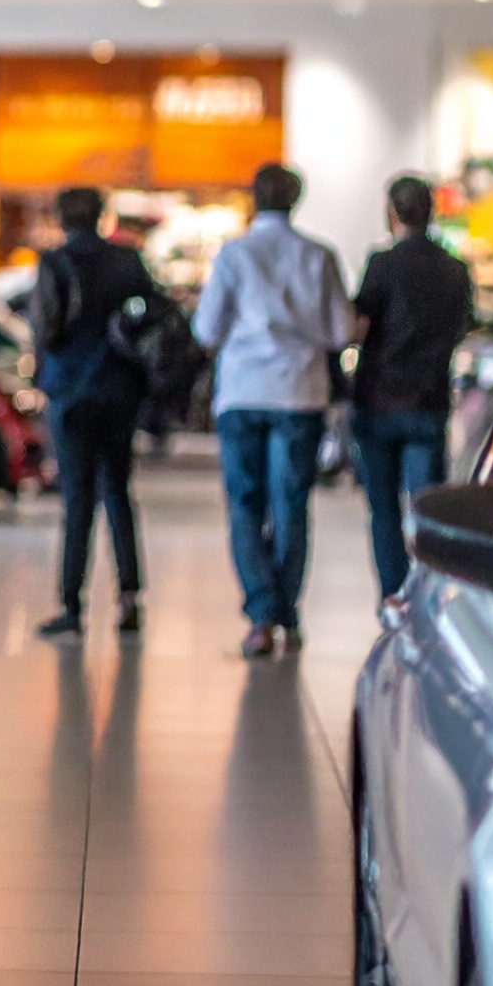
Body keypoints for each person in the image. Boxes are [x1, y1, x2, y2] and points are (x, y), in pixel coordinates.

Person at [194, 162, 354, 658]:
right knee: (291, 504)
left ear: (253, 198)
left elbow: (206, 330)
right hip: (299, 393)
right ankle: (286, 612)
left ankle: (261, 615)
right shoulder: (318, 256)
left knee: (245, 504)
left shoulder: (234, 255)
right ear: (296, 200)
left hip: (242, 392)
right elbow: (340, 332)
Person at [29, 186, 162, 641]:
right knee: (119, 492)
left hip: (69, 392)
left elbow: (43, 329)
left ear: (62, 219)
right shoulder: (128, 261)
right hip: (119, 388)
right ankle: (129, 597)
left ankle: (71, 604)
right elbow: (152, 318)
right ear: (102, 217)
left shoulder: (54, 263)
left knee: (77, 499)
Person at [351, 175, 475, 599]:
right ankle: (425, 595)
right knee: (426, 510)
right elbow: (463, 328)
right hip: (429, 401)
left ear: (392, 213)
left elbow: (358, 327)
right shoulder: (455, 270)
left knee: (383, 509)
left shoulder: (382, 264)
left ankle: (393, 595)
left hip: (378, 400)